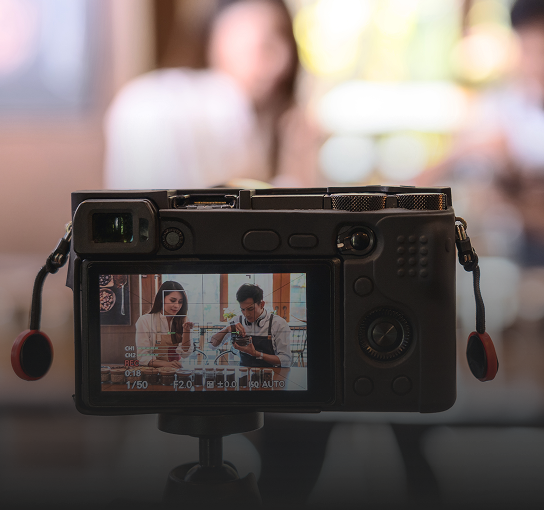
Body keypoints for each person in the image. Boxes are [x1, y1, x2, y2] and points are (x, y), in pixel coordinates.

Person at [104, 0, 318, 190]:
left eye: (287, 46)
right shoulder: (212, 105)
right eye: (265, 48)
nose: (282, 65)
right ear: (217, 42)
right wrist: (295, 175)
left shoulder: (142, 97)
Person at [210, 283, 292, 367]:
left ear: (262, 304)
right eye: (243, 309)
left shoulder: (278, 324)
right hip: (244, 372)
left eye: (250, 309)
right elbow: (212, 345)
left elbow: (286, 361)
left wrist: (256, 354)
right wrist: (227, 329)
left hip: (271, 373)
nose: (246, 314)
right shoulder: (237, 321)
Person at [135, 281, 194, 368]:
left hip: (177, 370)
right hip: (153, 372)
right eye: (172, 300)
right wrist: (166, 364)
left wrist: (186, 331)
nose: (177, 306)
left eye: (180, 302)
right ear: (161, 299)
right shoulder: (145, 320)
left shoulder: (184, 320)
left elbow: (185, 353)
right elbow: (142, 356)